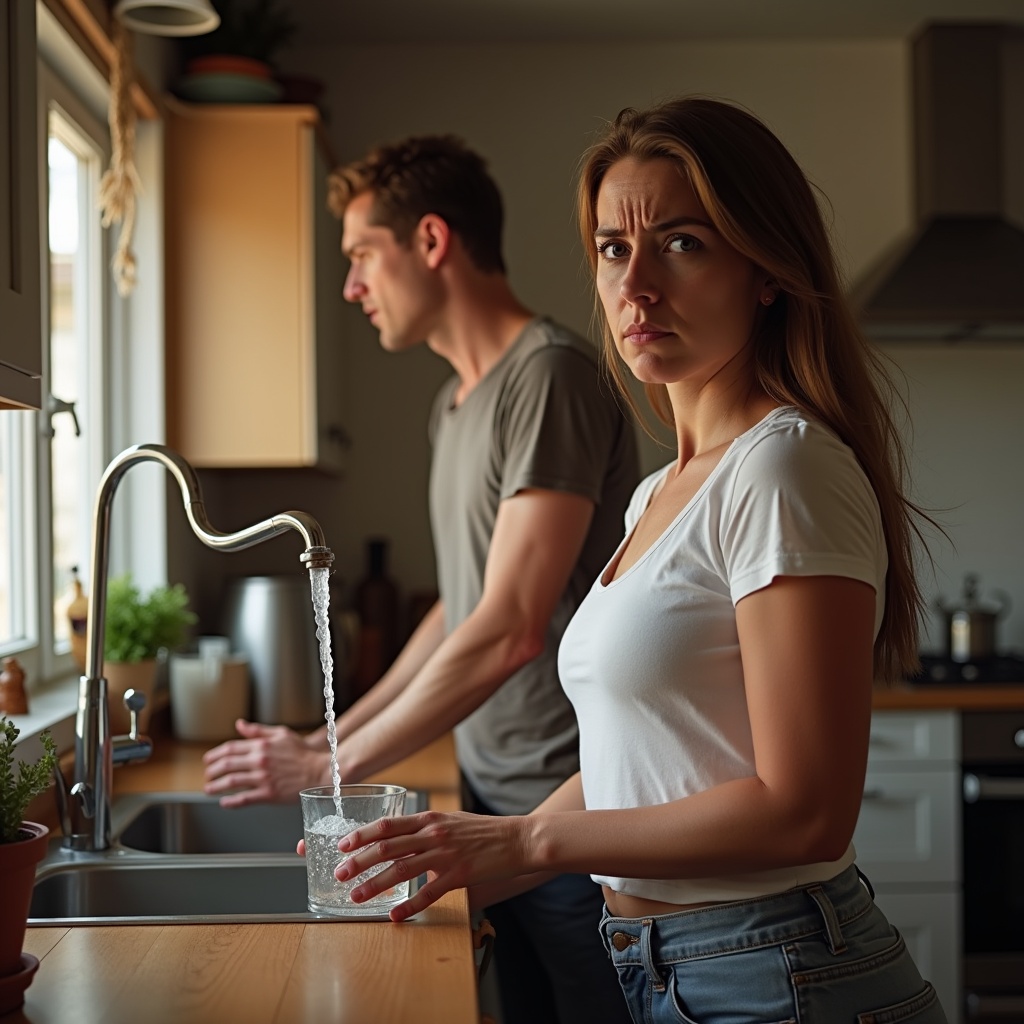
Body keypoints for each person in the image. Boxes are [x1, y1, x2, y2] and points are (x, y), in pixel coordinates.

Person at [320, 98, 950, 1024]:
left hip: (778, 975)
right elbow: (642, 757)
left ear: (766, 270)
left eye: (683, 244)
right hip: (667, 968)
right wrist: (486, 842)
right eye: (614, 248)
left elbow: (807, 810)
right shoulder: (659, 492)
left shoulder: (783, 467)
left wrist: (533, 842)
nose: (636, 285)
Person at [203, 134, 639, 1024]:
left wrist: (328, 768)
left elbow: (512, 625)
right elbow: (461, 605)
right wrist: (330, 749)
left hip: (571, 807)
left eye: (364, 254)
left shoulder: (547, 378)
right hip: (491, 797)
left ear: (431, 241)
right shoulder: (455, 406)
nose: (351, 287)